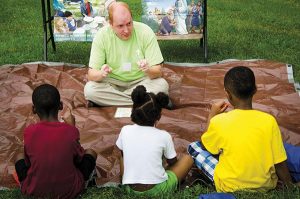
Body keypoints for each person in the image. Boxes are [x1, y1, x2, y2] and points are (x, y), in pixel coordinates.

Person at [188, 66, 293, 192]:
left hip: (229, 186)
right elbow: (279, 161)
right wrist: (289, 185)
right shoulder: (269, 121)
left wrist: (212, 115)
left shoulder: (219, 121)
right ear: (255, 90)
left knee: (194, 147)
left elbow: (207, 145)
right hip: (265, 185)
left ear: (228, 94)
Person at [14, 84, 97, 198]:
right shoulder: (71, 130)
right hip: (71, 190)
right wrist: (72, 127)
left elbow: (28, 163)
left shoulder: (29, 132)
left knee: (19, 156)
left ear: (34, 109)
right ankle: (87, 180)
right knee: (91, 152)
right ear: (61, 106)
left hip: (34, 190)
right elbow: (78, 159)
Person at [84, 2, 169, 107]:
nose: (126, 30)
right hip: (113, 82)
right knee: (90, 90)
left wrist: (148, 70)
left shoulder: (145, 31)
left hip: (141, 82)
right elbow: (91, 74)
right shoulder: (101, 36)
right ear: (110, 24)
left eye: (129, 23)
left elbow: (158, 72)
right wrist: (101, 73)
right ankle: (146, 100)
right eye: (120, 26)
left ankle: (111, 101)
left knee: (162, 85)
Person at [116, 85, 193, 196]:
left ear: (133, 110)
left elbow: (123, 155)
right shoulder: (164, 136)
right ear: (159, 116)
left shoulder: (125, 130)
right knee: (188, 159)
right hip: (158, 189)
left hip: (130, 189)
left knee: (122, 156)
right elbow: (172, 162)